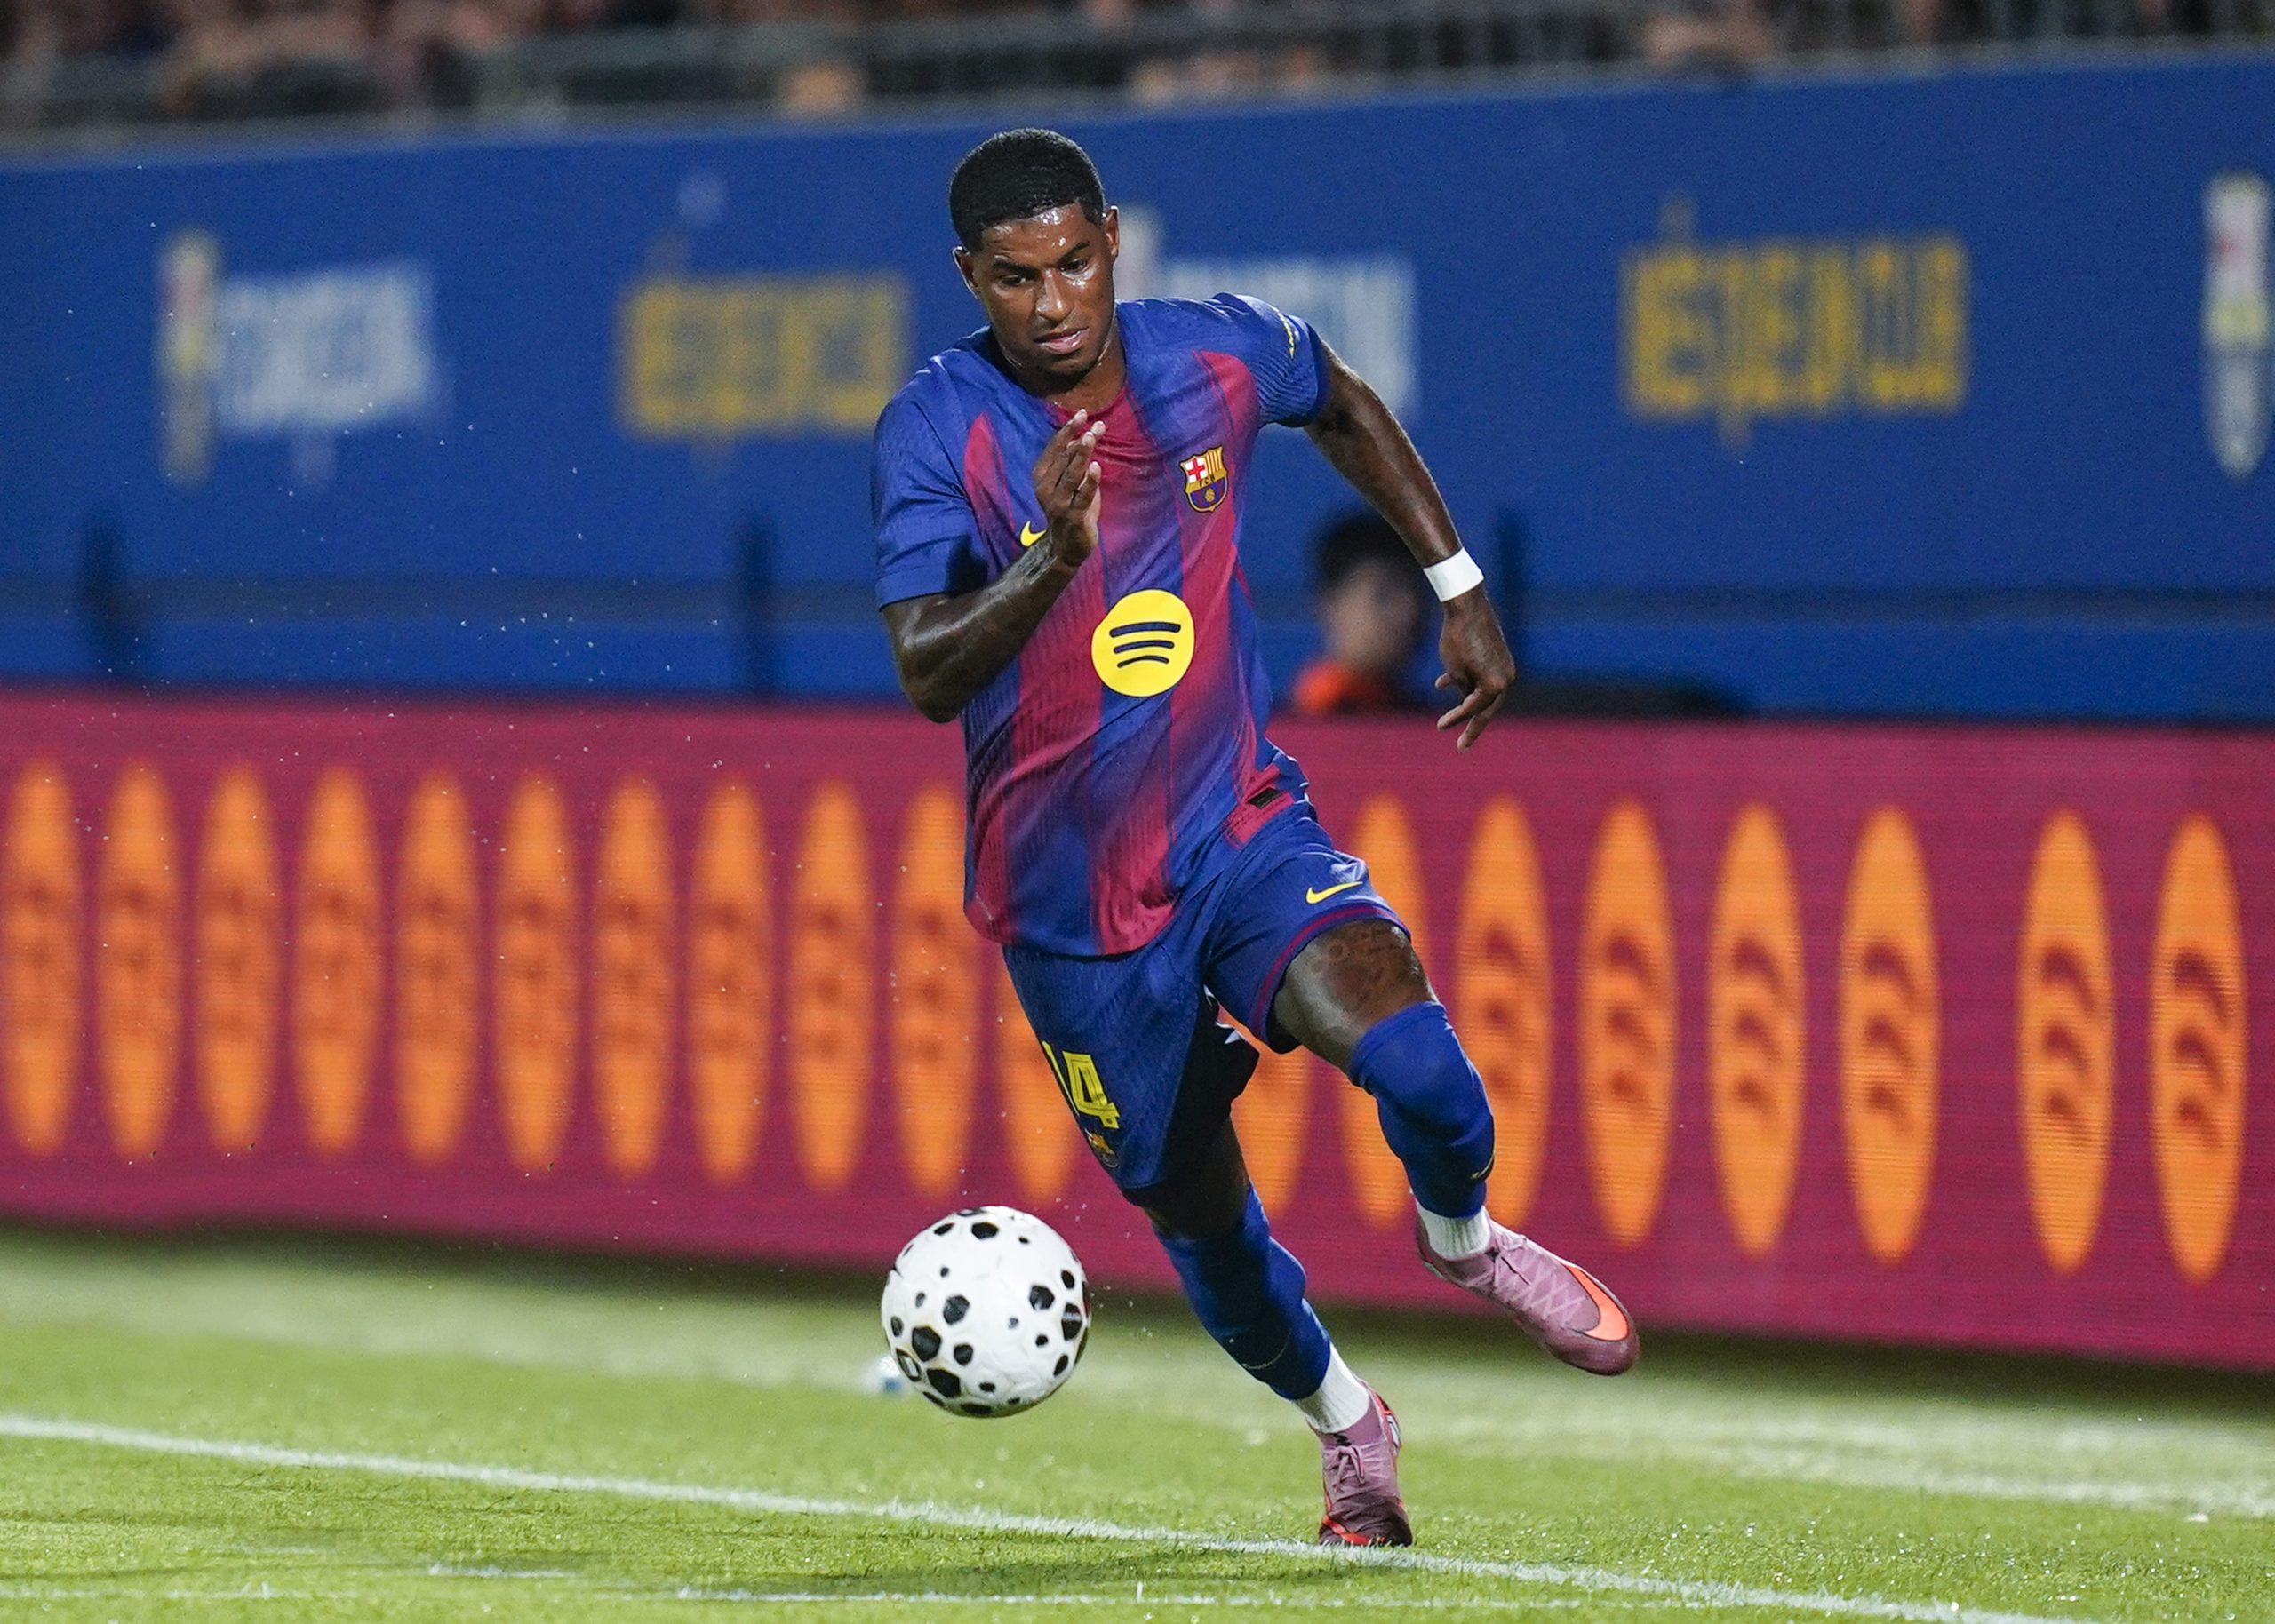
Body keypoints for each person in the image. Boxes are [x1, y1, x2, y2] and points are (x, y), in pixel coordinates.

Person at [871, 127, 1636, 1549]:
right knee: (1209, 1237)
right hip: (1071, 919)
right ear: (970, 277)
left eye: (1075, 263)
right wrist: (1048, 560)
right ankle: (1351, 1429)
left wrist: (1453, 577)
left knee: (1416, 1057)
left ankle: (1463, 1241)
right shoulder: (939, 429)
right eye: (1017, 279)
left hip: (1238, 832)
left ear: (1112, 237)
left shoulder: (1209, 355)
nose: (1054, 303)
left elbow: (1335, 396)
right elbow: (927, 670)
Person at [1289, 510, 1437, 717]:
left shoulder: (1419, 712)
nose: (1409, 612)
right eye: (1384, 594)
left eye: (1418, 591)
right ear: (1330, 604)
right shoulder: (1319, 714)